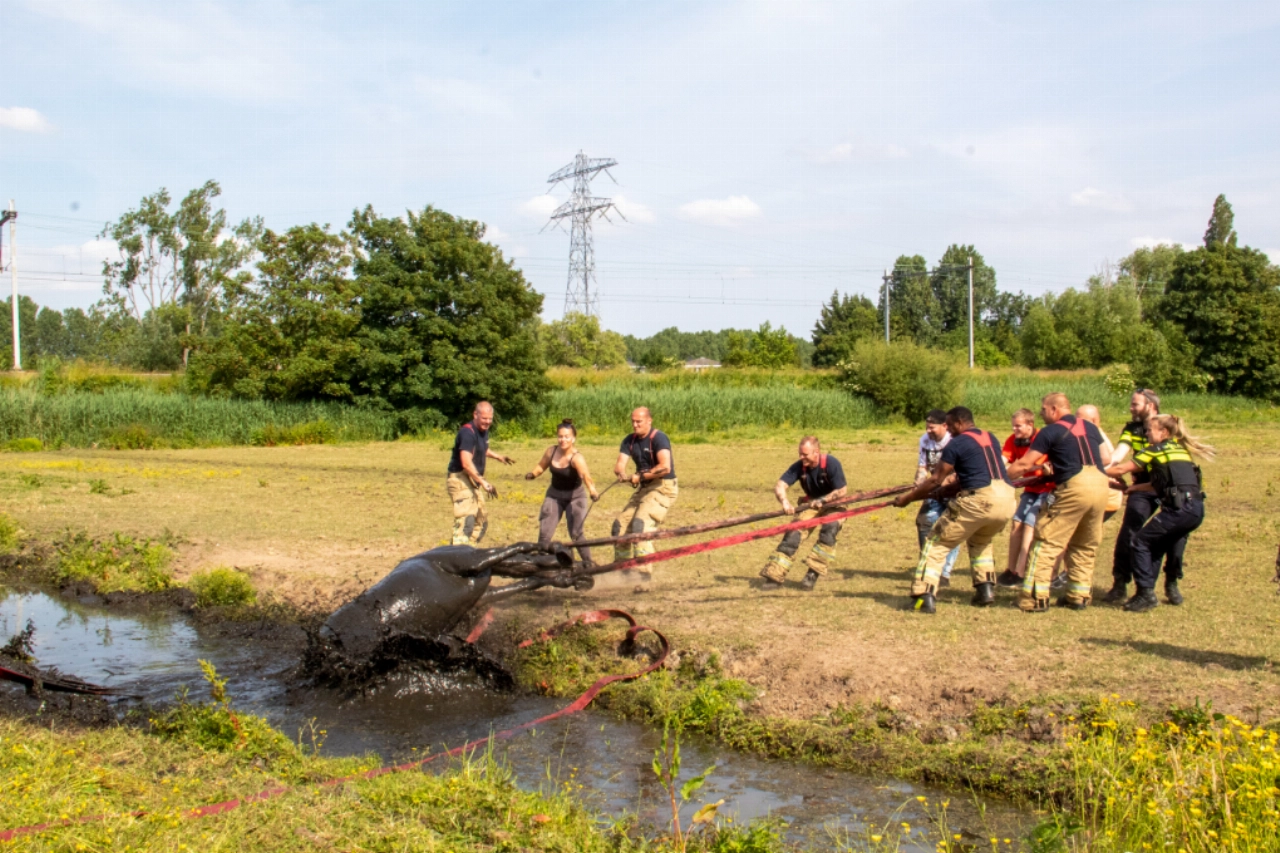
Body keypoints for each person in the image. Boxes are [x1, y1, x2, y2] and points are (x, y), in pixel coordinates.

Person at [893, 407, 1016, 614]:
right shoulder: (990, 438)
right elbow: (976, 472)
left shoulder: (956, 443)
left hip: (979, 500)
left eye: (950, 425)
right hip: (1006, 499)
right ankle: (985, 590)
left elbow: (934, 479)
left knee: (935, 543)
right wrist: (948, 490)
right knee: (981, 541)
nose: (949, 430)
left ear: (959, 422)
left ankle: (923, 597)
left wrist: (907, 499)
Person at [1007, 393, 1112, 612]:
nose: (1041, 414)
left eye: (1043, 410)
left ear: (1054, 409)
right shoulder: (1090, 428)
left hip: (1074, 487)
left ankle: (1035, 598)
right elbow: (1106, 458)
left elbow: (1026, 463)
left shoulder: (1050, 431)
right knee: (1085, 543)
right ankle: (1078, 596)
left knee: (1046, 541)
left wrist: (1001, 478)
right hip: (1101, 485)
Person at [1105, 415, 1214, 612]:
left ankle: (1146, 594)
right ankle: (1146, 592)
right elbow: (1161, 483)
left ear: (1163, 432)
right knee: (1154, 545)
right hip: (1195, 508)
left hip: (1180, 509)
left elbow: (1120, 468)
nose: (1146, 434)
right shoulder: (1179, 450)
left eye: (1149, 430)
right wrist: (1133, 489)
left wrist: (1091, 470)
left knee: (1139, 542)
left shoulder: (1154, 451)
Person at [760, 436, 849, 591]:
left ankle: (812, 574)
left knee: (829, 530)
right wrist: (785, 502)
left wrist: (824, 499)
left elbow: (842, 490)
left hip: (835, 504)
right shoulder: (799, 467)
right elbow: (780, 485)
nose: (801, 457)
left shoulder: (832, 463)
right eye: (800, 454)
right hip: (811, 504)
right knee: (793, 533)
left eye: (805, 454)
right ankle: (775, 575)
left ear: (816, 452)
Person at [1103, 389, 1162, 603]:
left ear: (1151, 405)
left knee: (1172, 537)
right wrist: (1104, 469)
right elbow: (1118, 455)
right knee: (1129, 530)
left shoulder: (1167, 425)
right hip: (1142, 489)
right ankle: (1120, 582)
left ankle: (1170, 583)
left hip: (1166, 487)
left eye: (1135, 404)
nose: (1131, 408)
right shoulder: (1131, 428)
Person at [611, 407, 678, 579]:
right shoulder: (629, 441)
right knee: (619, 526)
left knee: (640, 524)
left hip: (663, 486)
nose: (635, 425)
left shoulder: (659, 438)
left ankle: (643, 575)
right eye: (633, 421)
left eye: (638, 421)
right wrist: (620, 472)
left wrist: (640, 476)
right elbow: (620, 463)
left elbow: (665, 467)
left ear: (649, 421)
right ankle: (623, 572)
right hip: (644, 488)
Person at [525, 419, 600, 566]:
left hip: (575, 497)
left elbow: (586, 476)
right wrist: (532, 474)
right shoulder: (551, 451)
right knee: (545, 533)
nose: (563, 440)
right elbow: (541, 466)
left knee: (576, 534)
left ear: (573, 438)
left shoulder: (576, 458)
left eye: (566, 436)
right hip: (554, 495)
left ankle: (589, 564)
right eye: (560, 436)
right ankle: (540, 564)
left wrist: (592, 491)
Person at [996, 408, 1055, 589]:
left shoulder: (1042, 438)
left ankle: (1022, 572)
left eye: (1019, 426)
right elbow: (1003, 461)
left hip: (1046, 488)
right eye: (1013, 426)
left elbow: (1044, 466)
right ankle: (1010, 569)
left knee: (1030, 524)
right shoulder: (1012, 440)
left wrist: (1022, 469)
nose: (1015, 430)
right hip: (1029, 489)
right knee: (1016, 523)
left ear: (1030, 425)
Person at [446, 401, 514, 546]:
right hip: (460, 478)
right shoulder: (467, 433)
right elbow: (466, 462)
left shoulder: (483, 431)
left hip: (471, 479)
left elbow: (482, 449)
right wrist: (483, 482)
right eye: (484, 418)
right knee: (466, 519)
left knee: (481, 521)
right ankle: (457, 557)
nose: (488, 422)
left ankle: (469, 553)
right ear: (475, 415)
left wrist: (498, 457)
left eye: (490, 419)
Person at [915, 410, 960, 586]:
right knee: (923, 521)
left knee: (951, 529)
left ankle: (944, 572)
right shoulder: (924, 441)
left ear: (944, 426)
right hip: (934, 488)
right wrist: (919, 484)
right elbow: (922, 467)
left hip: (954, 490)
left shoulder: (954, 442)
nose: (928, 431)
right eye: (927, 427)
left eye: (932, 428)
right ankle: (927, 562)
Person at [1077, 405, 1123, 523]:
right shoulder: (1087, 436)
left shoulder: (1096, 439)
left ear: (1094, 421)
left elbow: (1106, 464)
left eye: (1081, 420)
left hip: (1106, 499)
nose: (1076, 423)